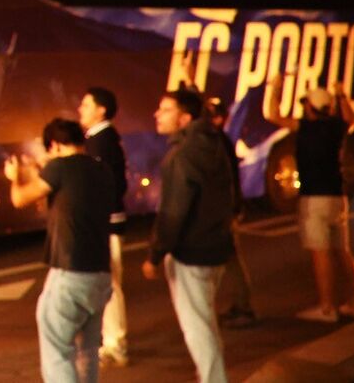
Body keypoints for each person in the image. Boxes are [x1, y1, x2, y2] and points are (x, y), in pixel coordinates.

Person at [6, 118, 114, 383]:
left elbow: (20, 199)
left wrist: (14, 177)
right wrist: (39, 170)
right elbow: (65, 201)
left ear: (54, 145)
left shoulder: (60, 167)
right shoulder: (102, 170)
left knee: (57, 352)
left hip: (69, 273)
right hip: (100, 273)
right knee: (88, 352)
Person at [143, 89, 235, 383]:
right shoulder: (216, 143)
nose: (157, 114)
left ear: (184, 118)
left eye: (165, 109)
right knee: (206, 321)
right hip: (217, 246)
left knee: (198, 328)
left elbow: (173, 211)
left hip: (191, 252)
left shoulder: (181, 155)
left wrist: (155, 254)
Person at [263, 76, 354, 322]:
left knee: (321, 253)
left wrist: (274, 88)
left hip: (314, 200)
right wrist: (341, 95)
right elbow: (351, 120)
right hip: (338, 198)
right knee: (343, 251)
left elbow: (271, 114)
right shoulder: (337, 127)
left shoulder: (306, 128)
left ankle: (327, 308)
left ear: (311, 107)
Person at [77, 87, 129, 367]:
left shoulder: (102, 142)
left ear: (101, 110)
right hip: (105, 221)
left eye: (86, 105)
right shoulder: (98, 140)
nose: (80, 109)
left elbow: (109, 186)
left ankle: (116, 343)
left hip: (106, 223)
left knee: (110, 283)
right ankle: (109, 339)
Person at [207, 97, 258, 329]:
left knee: (229, 260)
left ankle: (243, 307)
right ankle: (240, 305)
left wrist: (232, 209)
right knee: (226, 260)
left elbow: (228, 182)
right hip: (224, 210)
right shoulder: (218, 141)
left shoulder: (219, 142)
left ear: (219, 119)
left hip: (222, 212)